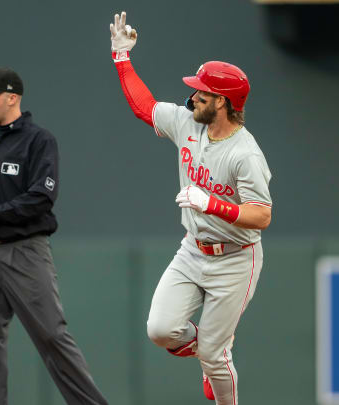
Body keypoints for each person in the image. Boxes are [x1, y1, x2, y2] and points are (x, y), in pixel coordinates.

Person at [108, 12, 272, 405]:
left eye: (202, 92)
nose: (193, 96)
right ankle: (209, 351)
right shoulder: (188, 123)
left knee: (216, 357)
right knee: (162, 330)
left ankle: (216, 367)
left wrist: (214, 204)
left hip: (235, 259)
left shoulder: (245, 153)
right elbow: (144, 107)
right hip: (193, 249)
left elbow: (262, 215)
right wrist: (121, 58)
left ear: (223, 101)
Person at [0, 67, 108, 405]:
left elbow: (41, 198)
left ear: (12, 97)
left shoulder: (39, 140)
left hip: (24, 251)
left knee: (52, 336)